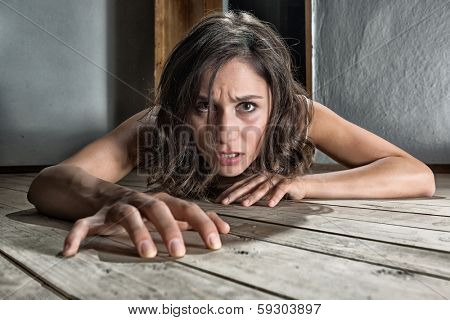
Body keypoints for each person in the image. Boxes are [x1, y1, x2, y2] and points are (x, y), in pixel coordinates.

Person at [27, 11, 435, 260]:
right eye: (204, 107)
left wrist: (303, 184)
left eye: (247, 107)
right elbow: (48, 182)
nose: (226, 133)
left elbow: (417, 175)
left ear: (275, 102)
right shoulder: (158, 123)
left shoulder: (299, 113)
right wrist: (121, 197)